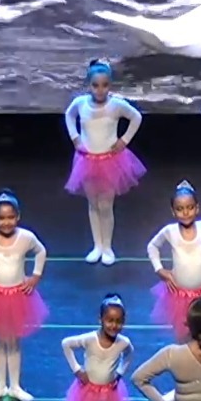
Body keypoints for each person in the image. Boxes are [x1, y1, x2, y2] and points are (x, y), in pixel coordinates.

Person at [0, 190, 49, 401]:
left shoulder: (26, 238)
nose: (6, 222)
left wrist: (35, 276)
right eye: (2, 218)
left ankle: (15, 386)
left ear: (18, 217)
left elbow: (41, 251)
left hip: (17, 297)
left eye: (11, 217)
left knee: (13, 341)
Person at [64, 59, 146, 265]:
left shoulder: (116, 105)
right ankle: (97, 245)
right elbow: (69, 114)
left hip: (111, 161)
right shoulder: (81, 104)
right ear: (88, 85)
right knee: (93, 204)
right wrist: (75, 137)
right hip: (87, 161)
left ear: (110, 85)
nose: (100, 90)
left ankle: (108, 247)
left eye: (105, 85)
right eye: (95, 85)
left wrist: (124, 140)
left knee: (106, 205)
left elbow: (136, 117)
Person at [147, 181, 201, 342]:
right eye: (180, 209)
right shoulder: (170, 231)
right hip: (179, 294)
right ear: (173, 211)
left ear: (197, 208)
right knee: (182, 332)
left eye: (190, 207)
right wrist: (160, 270)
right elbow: (152, 246)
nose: (186, 213)